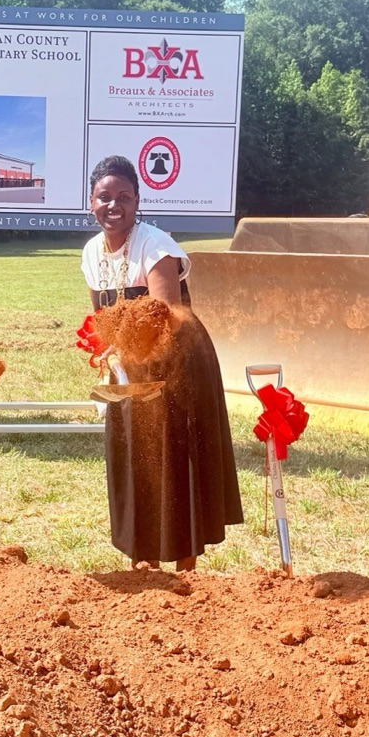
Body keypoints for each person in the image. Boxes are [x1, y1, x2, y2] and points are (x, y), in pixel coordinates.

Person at [81, 155, 243, 571]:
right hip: (129, 368)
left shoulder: (155, 245)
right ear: (91, 202)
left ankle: (185, 565)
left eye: (123, 197)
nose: (113, 205)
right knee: (135, 453)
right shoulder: (90, 252)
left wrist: (123, 348)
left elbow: (166, 313)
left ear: (137, 202)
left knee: (174, 458)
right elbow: (100, 317)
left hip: (178, 365)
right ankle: (144, 558)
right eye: (104, 197)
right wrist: (105, 351)